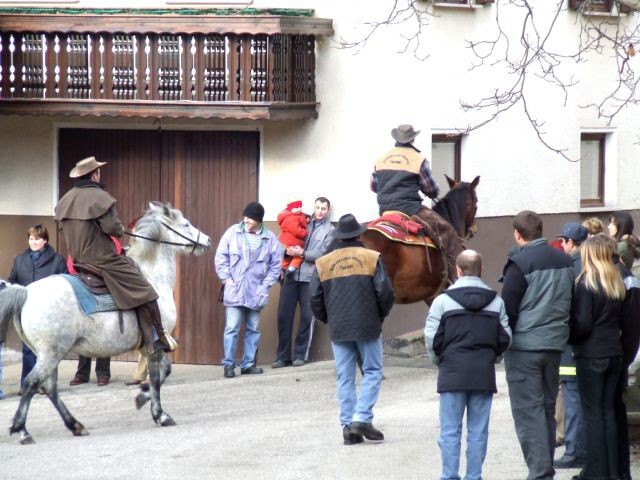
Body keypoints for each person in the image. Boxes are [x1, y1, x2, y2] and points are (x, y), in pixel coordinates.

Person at [54, 156, 177, 355]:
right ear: (94, 174)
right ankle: (160, 336)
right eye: (98, 171)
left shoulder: (65, 200)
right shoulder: (100, 197)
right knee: (147, 290)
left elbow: (63, 230)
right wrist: (120, 230)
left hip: (77, 261)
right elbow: (112, 228)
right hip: (104, 260)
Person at [425, 250, 512, 480]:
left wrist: (440, 362)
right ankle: (474, 476)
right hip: (483, 375)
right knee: (478, 432)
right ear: (481, 270)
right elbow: (505, 339)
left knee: (450, 432)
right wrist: (493, 359)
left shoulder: (442, 302)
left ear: (458, 270)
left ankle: (449, 475)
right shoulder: (496, 302)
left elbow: (432, 340)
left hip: (452, 374)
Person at [501, 210, 574, 480]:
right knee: (545, 409)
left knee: (527, 412)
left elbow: (508, 309)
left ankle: (540, 473)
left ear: (517, 234)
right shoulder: (565, 261)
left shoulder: (518, 263)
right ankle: (545, 468)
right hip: (555, 346)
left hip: (524, 349)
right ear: (541, 231)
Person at [310, 213, 395, 445]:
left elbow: (315, 299)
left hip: (339, 327)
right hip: (368, 325)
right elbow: (385, 294)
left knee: (344, 378)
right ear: (358, 234)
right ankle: (362, 418)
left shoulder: (323, 262)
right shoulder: (371, 257)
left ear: (339, 237)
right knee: (373, 371)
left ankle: (348, 427)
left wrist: (329, 318)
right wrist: (379, 316)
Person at [370, 123, 462, 283]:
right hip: (410, 209)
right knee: (448, 231)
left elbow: (373, 186)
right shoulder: (418, 160)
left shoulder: (381, 159)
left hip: (385, 210)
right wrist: (430, 191)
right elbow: (431, 189)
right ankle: (457, 278)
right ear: (412, 139)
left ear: (396, 139)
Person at [570, 234, 625, 480]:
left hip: (591, 355)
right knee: (608, 413)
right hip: (614, 352)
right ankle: (612, 472)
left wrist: (570, 333)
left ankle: (595, 472)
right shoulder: (616, 282)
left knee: (592, 415)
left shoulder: (586, 283)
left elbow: (582, 324)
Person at [214, 201, 282, 379]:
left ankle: (248, 364)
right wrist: (227, 279)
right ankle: (229, 365)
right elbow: (220, 257)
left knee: (253, 328)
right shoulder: (232, 233)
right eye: (245, 217)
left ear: (259, 220)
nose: (246, 220)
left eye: (250, 218)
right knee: (232, 328)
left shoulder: (270, 239)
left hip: (256, 292)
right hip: (235, 289)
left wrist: (265, 285)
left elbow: (276, 265)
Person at [273, 196, 333, 369]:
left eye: (323, 208)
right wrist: (287, 251)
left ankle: (300, 355)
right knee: (284, 316)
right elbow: (282, 239)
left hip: (310, 278)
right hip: (290, 276)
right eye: (317, 207)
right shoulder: (301, 220)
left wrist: (302, 254)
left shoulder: (330, 230)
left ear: (327, 210)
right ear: (313, 208)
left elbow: (324, 253)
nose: (320, 211)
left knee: (307, 317)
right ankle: (282, 357)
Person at [8, 224, 68, 389]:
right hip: (26, 311)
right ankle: (27, 385)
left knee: (48, 349)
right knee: (28, 349)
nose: (33, 242)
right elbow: (12, 281)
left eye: (38, 239)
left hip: (49, 312)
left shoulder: (58, 260)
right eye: (31, 238)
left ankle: (47, 385)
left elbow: (65, 283)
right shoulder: (19, 259)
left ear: (45, 240)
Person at [554, 223, 589, 469]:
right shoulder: (592, 266)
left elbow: (566, 309)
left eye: (563, 242)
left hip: (571, 346)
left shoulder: (570, 269)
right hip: (591, 349)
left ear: (570, 243)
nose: (562, 246)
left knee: (572, 398)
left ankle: (575, 450)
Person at [66, 238, 122, 387]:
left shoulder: (111, 240)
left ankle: (103, 373)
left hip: (104, 285)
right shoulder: (81, 239)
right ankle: (82, 373)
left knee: (104, 331)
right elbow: (71, 262)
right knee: (85, 329)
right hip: (84, 285)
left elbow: (115, 258)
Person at [615, 241, 640, 480]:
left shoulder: (618, 279)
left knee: (609, 412)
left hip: (612, 358)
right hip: (620, 356)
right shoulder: (628, 278)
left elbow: (630, 327)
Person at [277, 200, 308, 279]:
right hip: (292, 241)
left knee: (288, 257)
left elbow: (302, 217)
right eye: (297, 207)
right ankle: (291, 269)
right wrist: (304, 232)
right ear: (291, 209)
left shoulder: (295, 214)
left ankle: (283, 269)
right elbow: (296, 231)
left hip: (288, 240)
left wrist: (306, 219)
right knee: (298, 256)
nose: (299, 209)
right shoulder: (291, 218)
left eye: (300, 207)